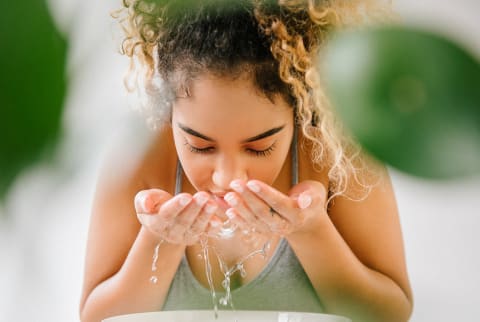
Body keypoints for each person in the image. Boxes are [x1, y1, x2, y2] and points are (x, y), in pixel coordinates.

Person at [79, 1, 413, 321]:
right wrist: (160, 242)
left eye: (259, 147)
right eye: (199, 145)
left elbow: (390, 314)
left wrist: (310, 232)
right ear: (168, 111)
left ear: (299, 108)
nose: (228, 178)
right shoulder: (137, 159)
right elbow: (96, 318)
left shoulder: (338, 152)